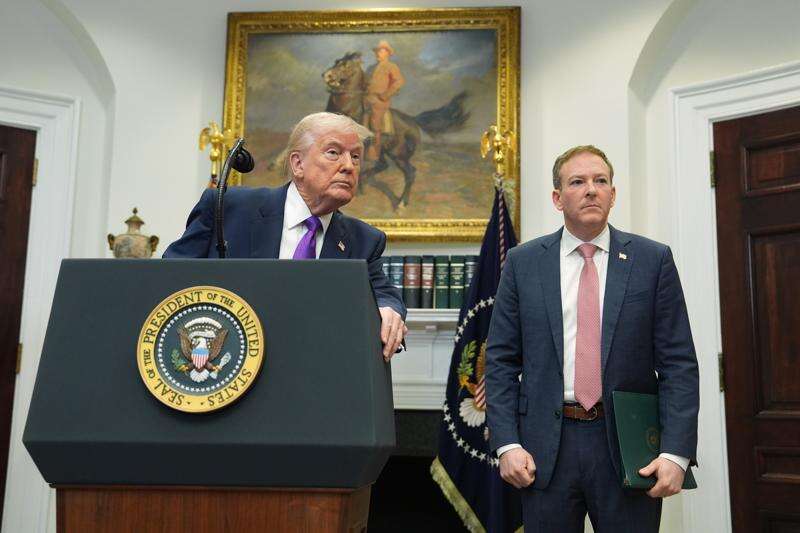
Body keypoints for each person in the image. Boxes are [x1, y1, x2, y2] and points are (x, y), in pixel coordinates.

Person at [486, 145, 699, 531]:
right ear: (557, 198)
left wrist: (676, 453)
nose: (591, 190)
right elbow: (500, 361)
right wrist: (507, 444)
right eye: (577, 182)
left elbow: (678, 364)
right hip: (543, 450)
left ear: (612, 195)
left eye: (601, 181)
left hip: (628, 447)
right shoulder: (523, 263)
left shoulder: (652, 260)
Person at [164, 112, 407, 360]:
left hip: (313, 366)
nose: (348, 166)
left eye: (355, 156)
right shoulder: (228, 207)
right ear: (298, 164)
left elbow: (382, 292)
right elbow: (170, 275)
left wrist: (389, 310)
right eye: (334, 152)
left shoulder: (364, 240)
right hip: (225, 362)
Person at [363, 40, 405, 162]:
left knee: (375, 124)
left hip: (380, 100)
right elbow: (365, 83)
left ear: (388, 53)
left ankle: (374, 154)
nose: (378, 53)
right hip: (366, 99)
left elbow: (399, 81)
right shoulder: (370, 68)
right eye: (377, 51)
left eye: (381, 51)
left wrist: (385, 95)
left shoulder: (391, 66)